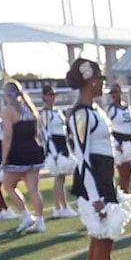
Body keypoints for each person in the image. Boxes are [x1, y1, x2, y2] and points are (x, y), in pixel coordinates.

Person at [64, 58, 131, 260]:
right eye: (99, 80)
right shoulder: (81, 113)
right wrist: (95, 196)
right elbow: (82, 156)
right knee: (103, 243)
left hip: (102, 177)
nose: (102, 84)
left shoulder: (94, 110)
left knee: (99, 241)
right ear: (89, 81)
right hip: (94, 180)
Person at [0, 78, 46, 232]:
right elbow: (35, 132)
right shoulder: (29, 108)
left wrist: (3, 159)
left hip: (18, 151)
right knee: (33, 189)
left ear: (7, 95)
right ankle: (40, 221)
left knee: (8, 185)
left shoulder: (8, 110)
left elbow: (8, 136)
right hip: (32, 149)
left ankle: (26, 215)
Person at [39, 81, 77, 216]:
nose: (53, 97)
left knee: (60, 178)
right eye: (50, 95)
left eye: (54, 94)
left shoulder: (57, 111)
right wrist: (54, 152)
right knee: (59, 177)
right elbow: (45, 133)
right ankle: (64, 206)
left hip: (63, 143)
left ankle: (57, 208)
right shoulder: (44, 114)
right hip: (54, 145)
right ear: (44, 96)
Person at [107, 75, 131, 195]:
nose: (114, 95)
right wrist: (115, 144)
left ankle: (127, 196)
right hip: (119, 144)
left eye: (116, 92)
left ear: (120, 92)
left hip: (129, 142)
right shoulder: (111, 110)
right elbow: (108, 128)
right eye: (112, 93)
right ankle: (123, 198)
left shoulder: (126, 108)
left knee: (128, 174)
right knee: (122, 174)